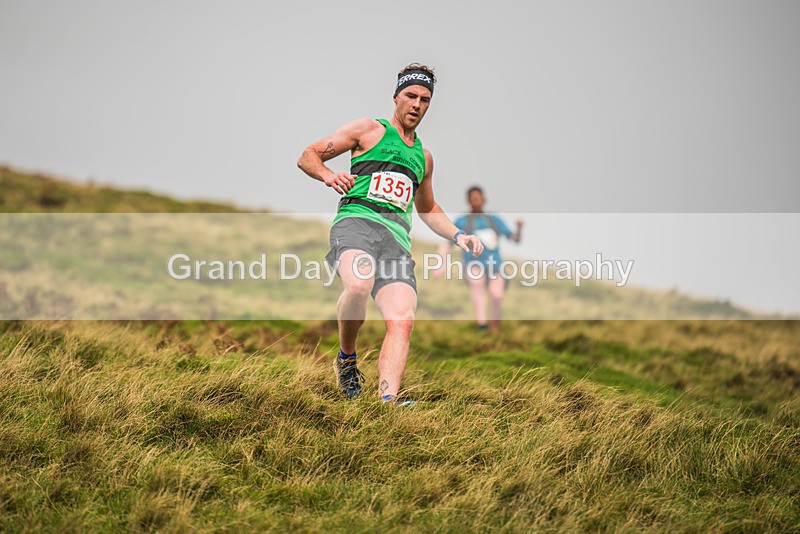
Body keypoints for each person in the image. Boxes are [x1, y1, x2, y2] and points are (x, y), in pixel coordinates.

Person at [297, 63, 483, 404]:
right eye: (410, 96)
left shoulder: (423, 158)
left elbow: (427, 208)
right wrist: (327, 175)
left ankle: (388, 401)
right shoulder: (367, 130)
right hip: (356, 222)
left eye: (424, 100)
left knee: (403, 318)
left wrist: (459, 235)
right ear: (396, 97)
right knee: (358, 283)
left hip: (395, 240)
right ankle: (347, 359)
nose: (416, 104)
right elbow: (308, 155)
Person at [436, 186, 522, 333]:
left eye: (478, 197)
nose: (476, 201)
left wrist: (519, 228)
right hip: (473, 264)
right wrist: (441, 264)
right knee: (477, 284)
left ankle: (495, 329)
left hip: (495, 266)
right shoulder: (462, 221)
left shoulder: (494, 220)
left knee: (497, 295)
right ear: (468, 201)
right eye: (473, 198)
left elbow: (514, 238)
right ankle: (482, 325)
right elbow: (447, 242)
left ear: (483, 199)